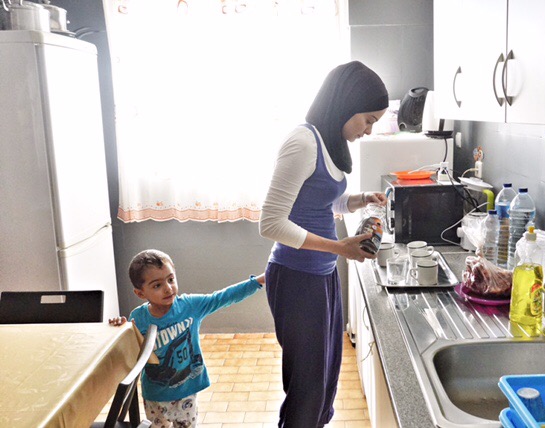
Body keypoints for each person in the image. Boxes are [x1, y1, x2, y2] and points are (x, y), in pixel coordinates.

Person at [259, 60, 389, 427]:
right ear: (346, 104)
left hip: (321, 275)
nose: (367, 130)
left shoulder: (327, 143)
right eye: (368, 120)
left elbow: (318, 201)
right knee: (308, 387)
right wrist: (339, 248)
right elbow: (270, 223)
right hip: (297, 279)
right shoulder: (302, 142)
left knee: (325, 377)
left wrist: (361, 199)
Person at [109, 249, 265, 428]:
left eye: (171, 279)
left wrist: (258, 281)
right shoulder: (138, 317)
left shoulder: (191, 306)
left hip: (186, 393)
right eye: (157, 285)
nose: (168, 288)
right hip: (155, 396)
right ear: (140, 293)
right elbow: (128, 352)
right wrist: (121, 327)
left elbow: (224, 297)